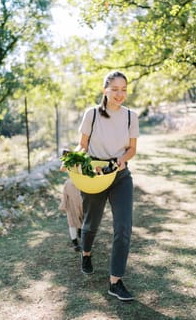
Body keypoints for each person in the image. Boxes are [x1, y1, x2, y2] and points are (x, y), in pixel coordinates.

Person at [76, 71, 139, 301]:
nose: (120, 94)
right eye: (115, 89)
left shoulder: (131, 117)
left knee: (123, 228)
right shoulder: (91, 115)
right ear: (105, 90)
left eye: (123, 89)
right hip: (94, 176)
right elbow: (82, 146)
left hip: (120, 176)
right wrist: (73, 160)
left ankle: (115, 281)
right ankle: (86, 253)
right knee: (91, 223)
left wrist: (123, 159)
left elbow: (132, 148)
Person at [59, 178, 83, 252]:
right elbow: (64, 195)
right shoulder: (68, 183)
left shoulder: (83, 181)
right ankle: (75, 242)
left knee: (82, 219)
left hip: (82, 205)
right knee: (72, 223)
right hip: (71, 205)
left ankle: (80, 231)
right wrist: (64, 205)